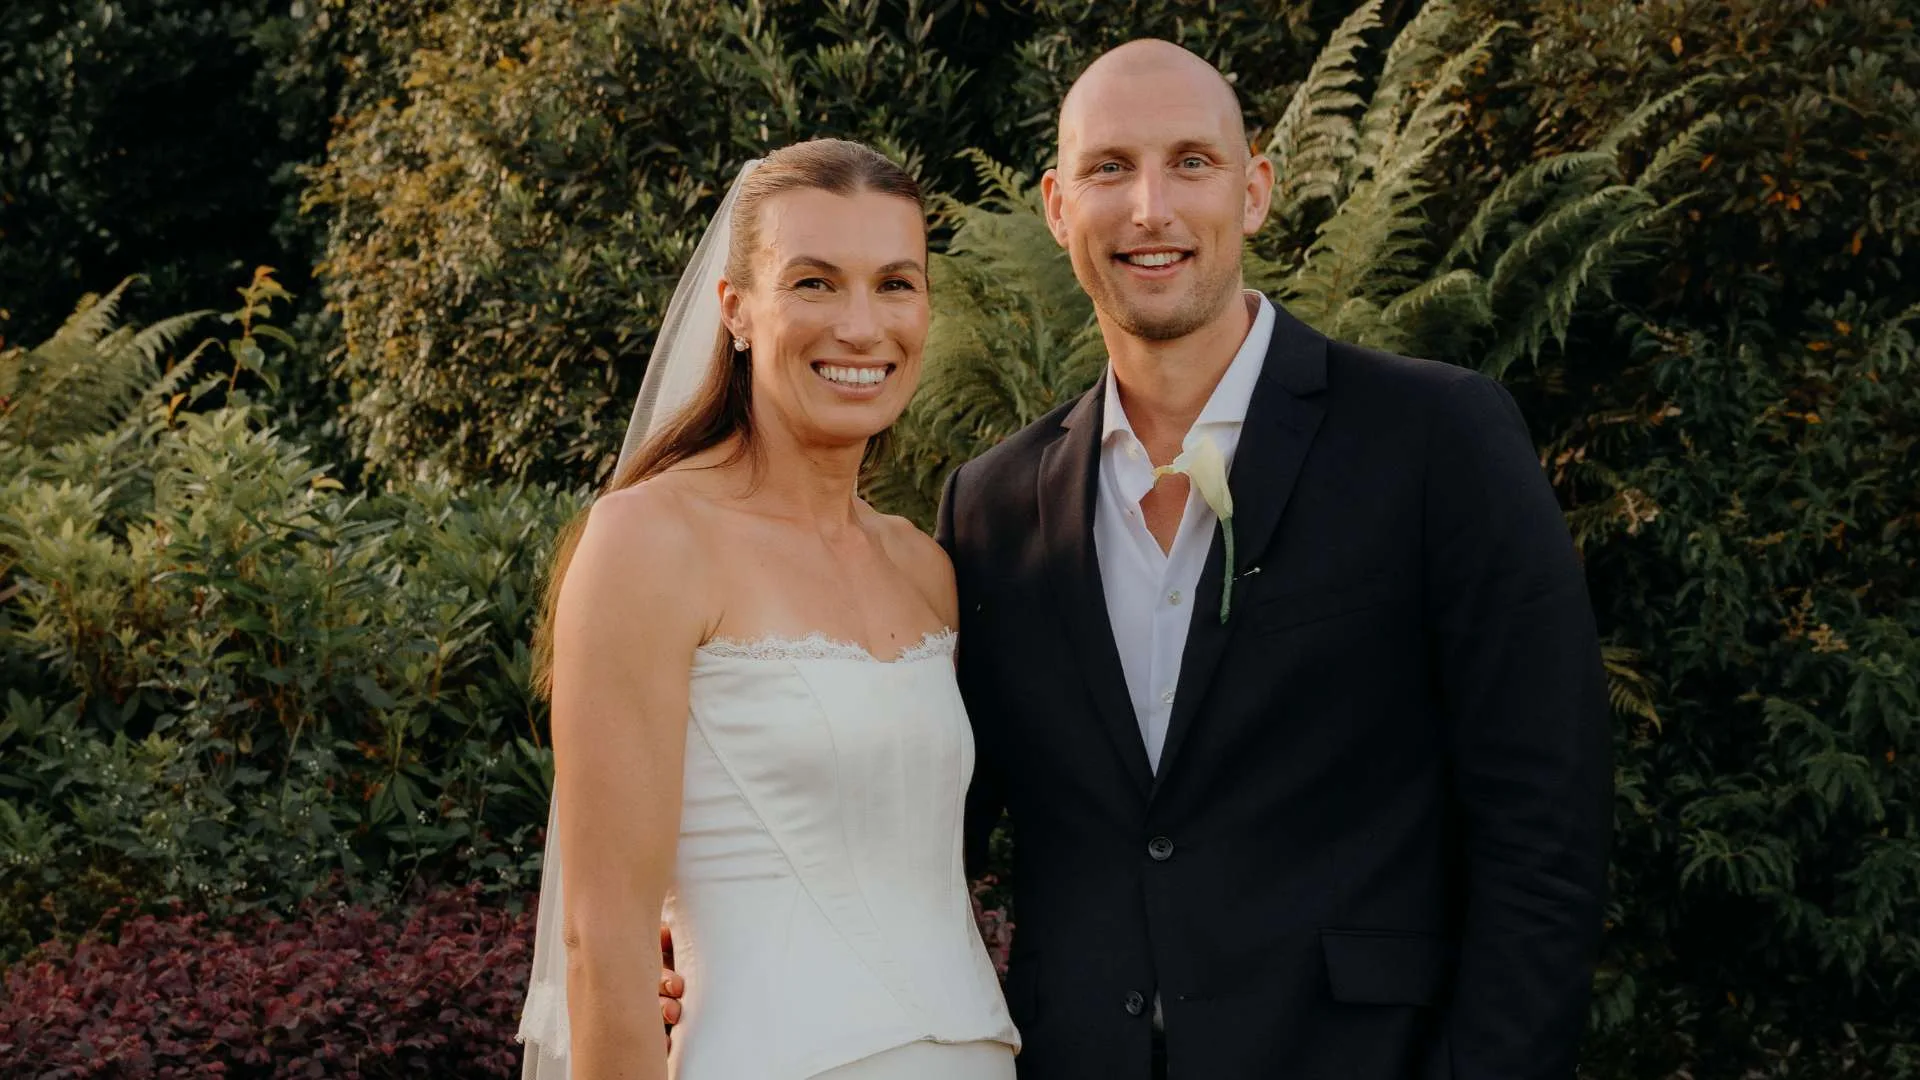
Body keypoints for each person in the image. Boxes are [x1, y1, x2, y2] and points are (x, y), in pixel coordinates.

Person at [660, 37, 1613, 1080]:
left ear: (1253, 192)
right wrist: (707, 926)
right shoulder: (994, 508)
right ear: (1059, 209)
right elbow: (918, 817)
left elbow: (1545, 841)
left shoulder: (1436, 441)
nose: (1150, 207)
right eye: (1109, 168)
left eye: (1190, 163)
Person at [517, 138, 1020, 1080]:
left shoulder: (924, 567)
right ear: (736, 309)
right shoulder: (649, 543)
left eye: (896, 283)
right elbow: (602, 940)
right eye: (815, 283)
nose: (863, 327)